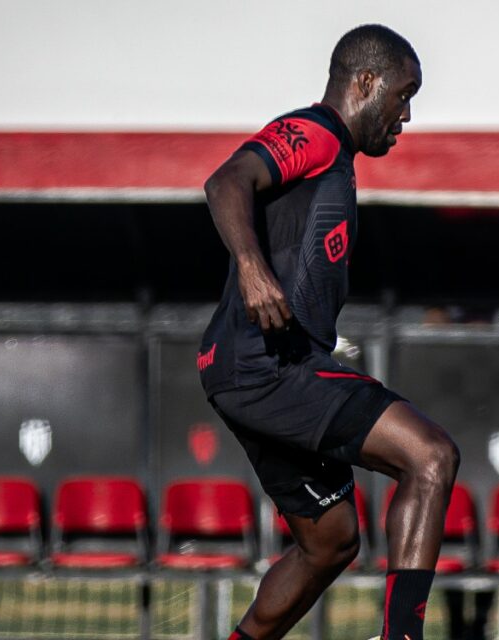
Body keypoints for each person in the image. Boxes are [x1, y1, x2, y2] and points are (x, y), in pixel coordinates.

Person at [197, 24, 460, 640]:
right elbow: (226, 181)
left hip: (244, 371)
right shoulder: (316, 133)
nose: (407, 113)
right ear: (365, 83)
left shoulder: (334, 161)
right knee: (431, 456)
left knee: (331, 540)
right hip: (268, 365)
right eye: (403, 94)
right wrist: (252, 267)